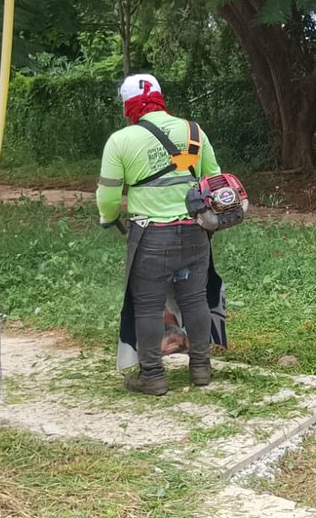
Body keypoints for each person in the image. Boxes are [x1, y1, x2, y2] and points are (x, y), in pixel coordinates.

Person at [97, 73, 221, 396]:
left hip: (151, 238)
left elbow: (108, 197)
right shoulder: (194, 131)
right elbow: (216, 179)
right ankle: (201, 367)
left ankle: (152, 375)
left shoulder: (120, 141)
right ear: (161, 98)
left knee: (149, 306)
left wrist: (108, 218)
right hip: (195, 234)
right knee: (193, 298)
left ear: (129, 106)